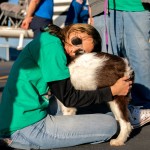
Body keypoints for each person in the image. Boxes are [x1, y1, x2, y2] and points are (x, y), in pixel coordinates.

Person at [0, 23, 133, 149]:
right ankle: (17, 140)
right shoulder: (53, 48)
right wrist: (113, 90)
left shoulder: (50, 38)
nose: (73, 49)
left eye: (80, 52)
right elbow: (68, 98)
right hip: (26, 126)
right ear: (74, 30)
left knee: (101, 111)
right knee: (109, 125)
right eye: (76, 41)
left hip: (25, 112)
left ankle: (129, 114)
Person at [107, 0, 150, 110]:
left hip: (138, 6)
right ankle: (114, 107)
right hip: (106, 7)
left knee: (140, 57)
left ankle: (144, 106)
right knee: (109, 59)